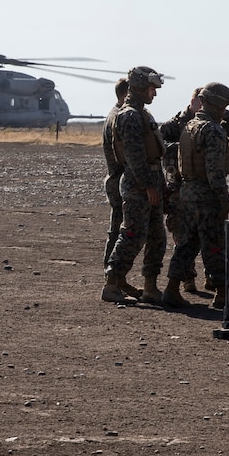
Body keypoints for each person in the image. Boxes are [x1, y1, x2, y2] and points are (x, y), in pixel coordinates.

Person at [161, 82, 229, 310]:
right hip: (206, 196)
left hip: (187, 193)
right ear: (217, 105)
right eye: (224, 105)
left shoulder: (189, 127)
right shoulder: (213, 130)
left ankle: (172, 288)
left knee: (186, 242)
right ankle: (222, 293)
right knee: (214, 243)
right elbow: (214, 171)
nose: (225, 110)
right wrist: (223, 198)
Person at [102, 66, 167, 305]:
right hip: (138, 185)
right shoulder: (129, 116)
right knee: (132, 235)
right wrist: (148, 186)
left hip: (151, 182)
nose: (155, 94)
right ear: (139, 87)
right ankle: (112, 282)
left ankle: (150, 287)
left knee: (157, 237)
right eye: (151, 89)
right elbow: (134, 157)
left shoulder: (143, 114)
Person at [101, 77, 140, 297]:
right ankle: (112, 278)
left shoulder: (112, 115)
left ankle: (116, 278)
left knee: (117, 229)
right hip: (121, 180)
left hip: (116, 179)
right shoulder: (119, 117)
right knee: (121, 231)